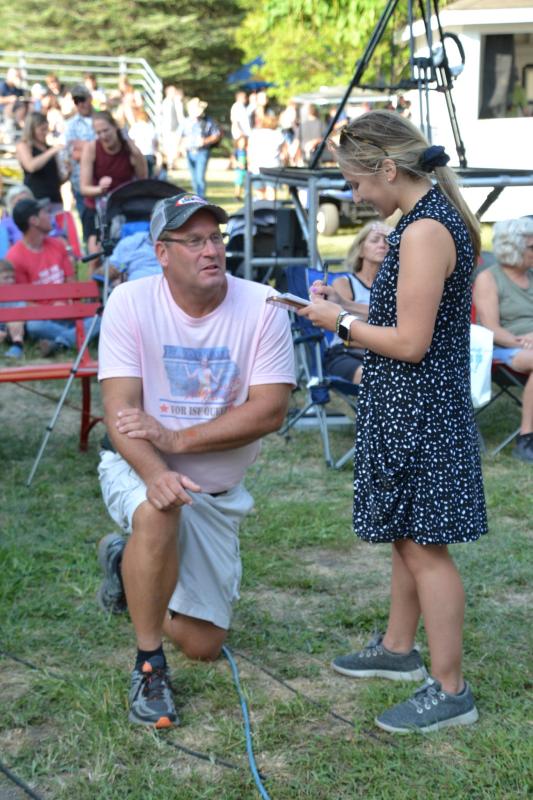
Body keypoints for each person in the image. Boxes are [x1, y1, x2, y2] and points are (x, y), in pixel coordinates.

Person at [300, 110, 487, 734]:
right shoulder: (421, 219)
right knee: (408, 536)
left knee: (424, 548)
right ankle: (399, 648)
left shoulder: (424, 230)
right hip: (408, 407)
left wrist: (340, 323)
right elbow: (407, 312)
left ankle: (451, 689)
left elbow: (410, 342)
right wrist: (348, 303)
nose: (354, 196)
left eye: (356, 182)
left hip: (420, 411)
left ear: (387, 168)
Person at [96, 192, 295, 728]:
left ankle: (128, 564)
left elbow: (270, 411)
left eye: (216, 239)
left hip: (215, 491)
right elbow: (120, 412)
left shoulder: (263, 305)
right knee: (158, 508)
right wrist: (158, 470)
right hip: (137, 463)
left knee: (204, 644)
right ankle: (148, 665)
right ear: (162, 253)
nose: (211, 251)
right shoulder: (130, 302)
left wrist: (177, 440)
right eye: (194, 241)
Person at [473, 217, 533, 463]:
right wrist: (524, 342)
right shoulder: (489, 278)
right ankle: (526, 438)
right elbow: (492, 329)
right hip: (501, 349)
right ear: (513, 246)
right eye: (532, 246)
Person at [6, 197, 99, 355]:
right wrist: (51, 309)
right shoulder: (15, 257)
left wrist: (66, 304)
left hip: (69, 312)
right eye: (45, 212)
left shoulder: (57, 245)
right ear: (34, 220)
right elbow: (22, 301)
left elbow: (71, 283)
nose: (50, 216)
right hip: (43, 318)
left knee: (102, 317)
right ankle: (76, 337)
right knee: (34, 326)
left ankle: (60, 342)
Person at [322, 221, 392, 384]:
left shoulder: (395, 287)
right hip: (347, 353)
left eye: (387, 241)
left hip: (386, 355)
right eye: (374, 240)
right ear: (360, 250)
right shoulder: (344, 284)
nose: (382, 245)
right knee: (376, 378)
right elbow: (343, 332)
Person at [79, 110, 147, 256]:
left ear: (115, 127)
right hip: (97, 210)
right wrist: (100, 189)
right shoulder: (91, 148)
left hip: (123, 208)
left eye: (106, 130)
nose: (103, 136)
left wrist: (132, 147)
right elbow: (84, 188)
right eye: (98, 133)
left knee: (126, 254)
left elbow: (143, 177)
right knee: (95, 255)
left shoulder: (128, 148)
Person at [16, 112, 65, 212]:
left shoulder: (48, 148)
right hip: (36, 199)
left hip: (55, 199)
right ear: (32, 129)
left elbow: (57, 179)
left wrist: (67, 173)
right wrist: (52, 151)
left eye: (46, 129)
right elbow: (31, 166)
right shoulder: (24, 145)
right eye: (42, 129)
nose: (45, 133)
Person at [178, 98, 222, 198]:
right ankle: (197, 197)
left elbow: (216, 135)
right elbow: (180, 136)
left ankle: (201, 198)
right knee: (194, 178)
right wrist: (180, 147)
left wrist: (205, 141)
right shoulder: (186, 122)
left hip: (202, 151)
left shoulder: (208, 121)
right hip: (189, 151)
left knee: (200, 177)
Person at [64, 84, 95, 221]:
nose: (81, 104)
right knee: (86, 222)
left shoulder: (102, 119)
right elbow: (73, 154)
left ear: (90, 98)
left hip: (103, 180)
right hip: (80, 182)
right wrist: (94, 149)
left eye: (83, 99)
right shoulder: (71, 125)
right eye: (77, 101)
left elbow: (107, 149)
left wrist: (84, 147)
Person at [0, 258, 25, 359]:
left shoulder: (16, 294)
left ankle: (18, 345)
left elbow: (21, 311)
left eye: (12, 277)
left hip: (13, 327)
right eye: (6, 278)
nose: (10, 281)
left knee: (16, 320)